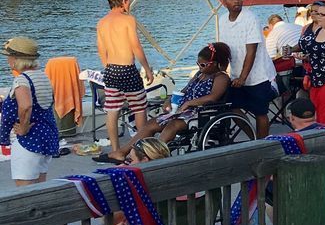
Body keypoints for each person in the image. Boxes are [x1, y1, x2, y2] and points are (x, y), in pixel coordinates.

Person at [96, 42, 231, 163]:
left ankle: (152, 154)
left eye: (203, 65)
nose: (199, 67)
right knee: (152, 124)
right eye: (198, 64)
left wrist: (191, 103)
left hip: (203, 113)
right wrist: (169, 100)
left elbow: (213, 97)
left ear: (215, 64)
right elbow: (183, 91)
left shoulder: (221, 78)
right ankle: (122, 152)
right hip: (185, 111)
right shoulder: (199, 75)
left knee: (172, 126)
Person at [96, 0, 154, 158]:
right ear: (123, 1)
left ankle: (116, 151)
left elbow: (101, 49)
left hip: (111, 69)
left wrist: (108, 66)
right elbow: (135, 46)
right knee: (139, 108)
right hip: (127, 69)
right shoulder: (128, 20)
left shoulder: (102, 22)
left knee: (113, 111)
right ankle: (138, 149)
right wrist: (147, 68)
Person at [218, 0, 279, 139]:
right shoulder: (222, 20)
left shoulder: (250, 18)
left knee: (261, 112)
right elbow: (224, 49)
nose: (236, 1)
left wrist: (243, 78)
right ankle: (252, 137)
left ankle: (262, 143)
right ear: (224, 2)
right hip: (236, 73)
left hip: (258, 74)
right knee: (231, 108)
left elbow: (251, 52)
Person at [1, 38, 59, 187]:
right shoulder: (42, 76)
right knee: (40, 185)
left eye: (9, 57)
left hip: (28, 140)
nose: (8, 61)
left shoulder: (22, 80)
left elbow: (26, 106)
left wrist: (24, 127)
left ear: (15, 60)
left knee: (25, 187)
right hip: (46, 136)